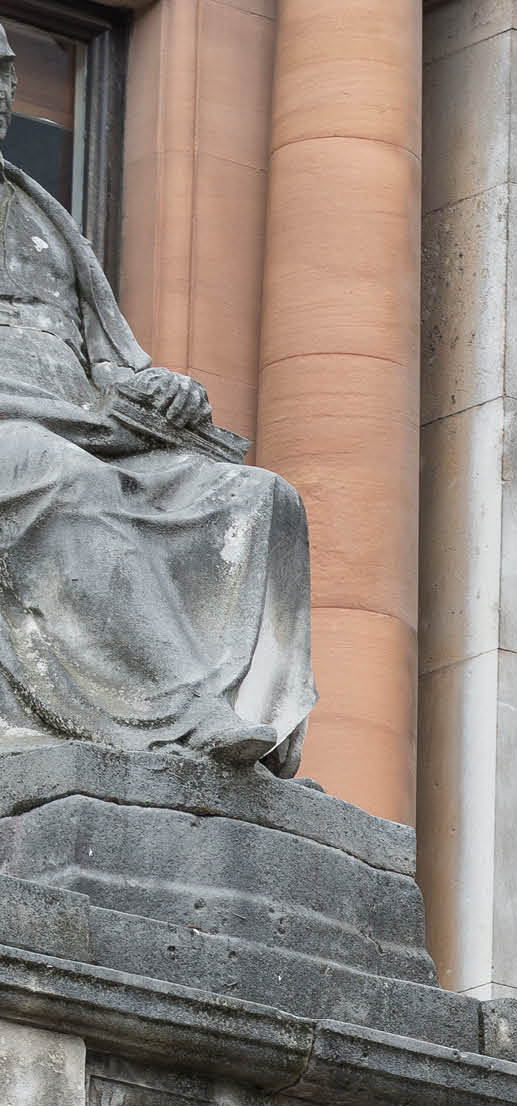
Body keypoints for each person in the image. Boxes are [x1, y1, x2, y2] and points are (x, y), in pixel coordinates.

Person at [0, 22, 312, 768]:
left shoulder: (38, 209)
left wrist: (158, 389)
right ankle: (181, 712)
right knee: (55, 472)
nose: (3, 93)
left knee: (261, 498)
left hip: (93, 427)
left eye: (6, 77)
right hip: (23, 440)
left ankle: (261, 739)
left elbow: (107, 357)